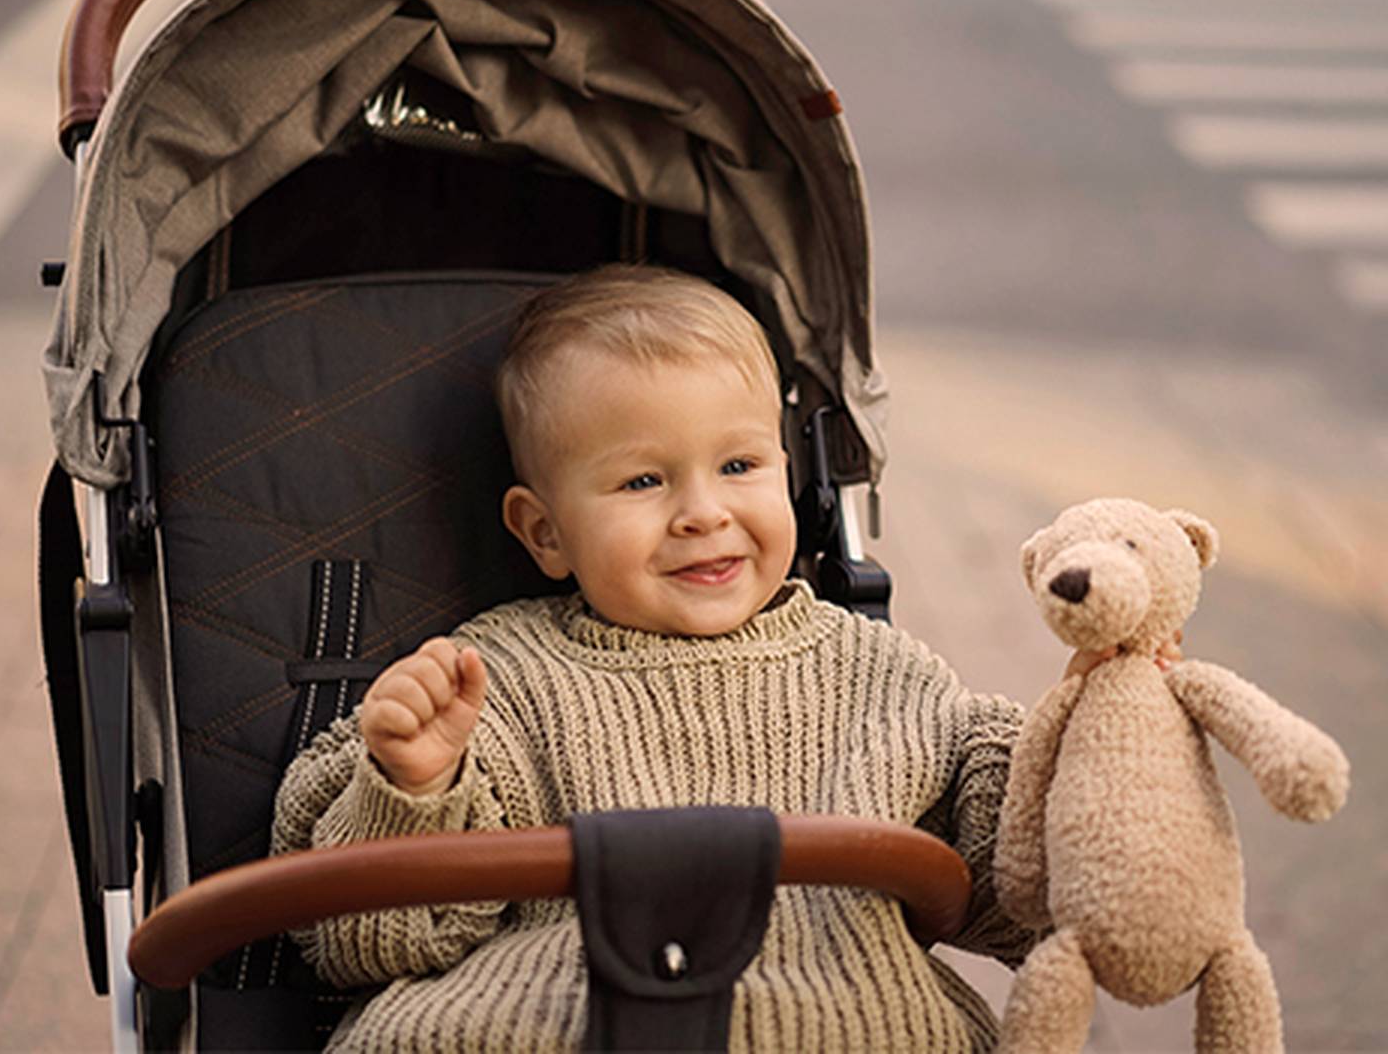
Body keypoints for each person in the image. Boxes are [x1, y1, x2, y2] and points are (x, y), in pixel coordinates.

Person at [272, 264, 1035, 1051]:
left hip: (836, 1013)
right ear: (545, 534)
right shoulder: (491, 684)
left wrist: (1096, 764)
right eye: (643, 481)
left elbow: (1019, 876)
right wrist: (416, 789)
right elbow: (361, 942)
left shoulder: (883, 679)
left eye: (739, 466)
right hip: (548, 1017)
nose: (704, 514)